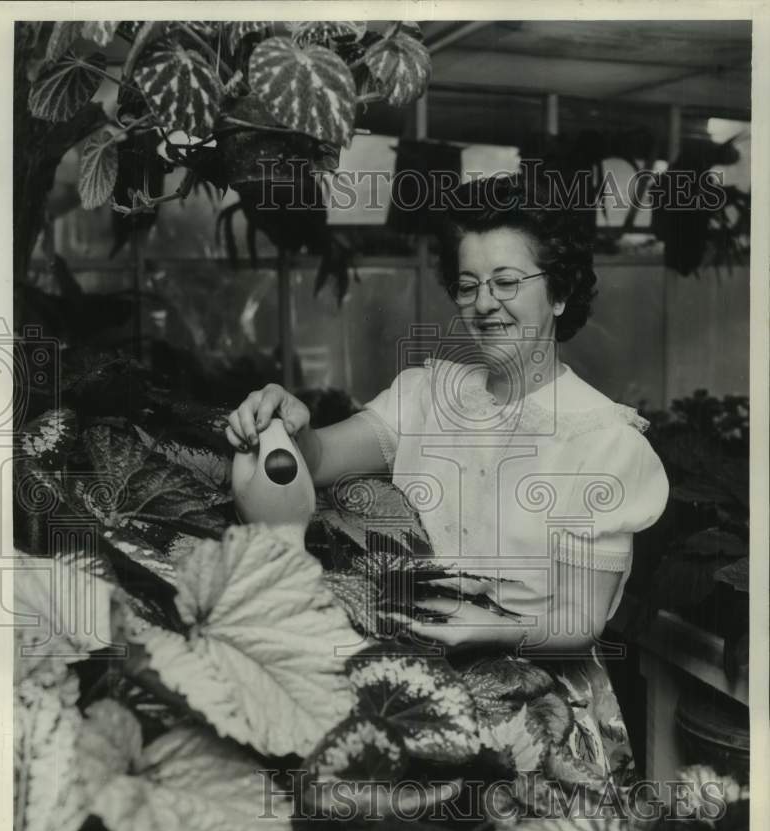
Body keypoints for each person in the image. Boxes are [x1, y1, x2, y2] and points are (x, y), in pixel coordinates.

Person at [226, 171, 669, 781]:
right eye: (468, 286)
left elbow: (579, 619)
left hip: (541, 713)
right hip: (414, 691)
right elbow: (319, 459)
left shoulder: (604, 441)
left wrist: (481, 630)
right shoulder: (427, 394)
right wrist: (289, 420)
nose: (485, 303)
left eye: (508, 282)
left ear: (560, 293)